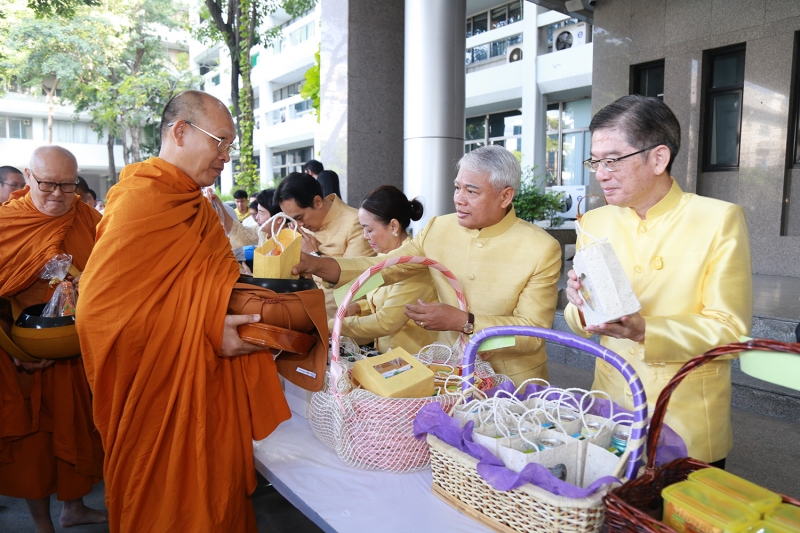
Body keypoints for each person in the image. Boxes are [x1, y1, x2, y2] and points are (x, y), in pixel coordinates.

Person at [76, 90, 291, 532]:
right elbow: (99, 316)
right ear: (180, 131)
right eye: (221, 142)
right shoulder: (141, 201)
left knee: (216, 502)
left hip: (206, 387)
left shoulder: (198, 204)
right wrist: (206, 329)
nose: (226, 156)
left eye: (230, 146)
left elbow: (206, 285)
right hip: (157, 396)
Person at [564, 95, 752, 466]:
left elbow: (730, 331)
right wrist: (580, 307)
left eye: (612, 160)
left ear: (658, 158)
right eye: (595, 161)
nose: (600, 173)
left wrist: (644, 330)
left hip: (683, 415)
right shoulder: (595, 222)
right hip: (611, 410)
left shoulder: (718, 219)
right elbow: (579, 317)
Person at [294, 145, 562, 384]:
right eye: (457, 187)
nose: (459, 198)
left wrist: (465, 322)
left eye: (472, 191)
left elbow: (532, 333)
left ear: (505, 197)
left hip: (513, 381)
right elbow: (385, 268)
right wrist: (318, 265)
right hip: (449, 375)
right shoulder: (438, 228)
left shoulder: (541, 248)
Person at [0, 146, 106, 533]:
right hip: (24, 354)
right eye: (47, 184)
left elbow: (114, 271)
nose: (58, 195)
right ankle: (42, 523)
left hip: (79, 349)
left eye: (68, 185)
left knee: (79, 431)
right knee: (34, 450)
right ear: (28, 177)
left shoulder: (88, 218)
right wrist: (14, 354)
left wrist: (89, 284)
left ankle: (74, 508)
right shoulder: (7, 223)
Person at [337, 185, 439, 354]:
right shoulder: (381, 258)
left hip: (417, 360)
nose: (364, 236)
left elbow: (386, 321)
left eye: (369, 229)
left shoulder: (414, 265)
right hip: (389, 358)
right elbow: (381, 302)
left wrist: (333, 325)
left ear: (393, 226)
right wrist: (359, 307)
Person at [276, 172, 375, 316]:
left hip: (345, 326)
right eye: (292, 219)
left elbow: (357, 287)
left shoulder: (354, 223)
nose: (298, 224)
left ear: (317, 202)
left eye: (299, 217)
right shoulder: (301, 228)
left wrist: (313, 256)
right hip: (307, 317)